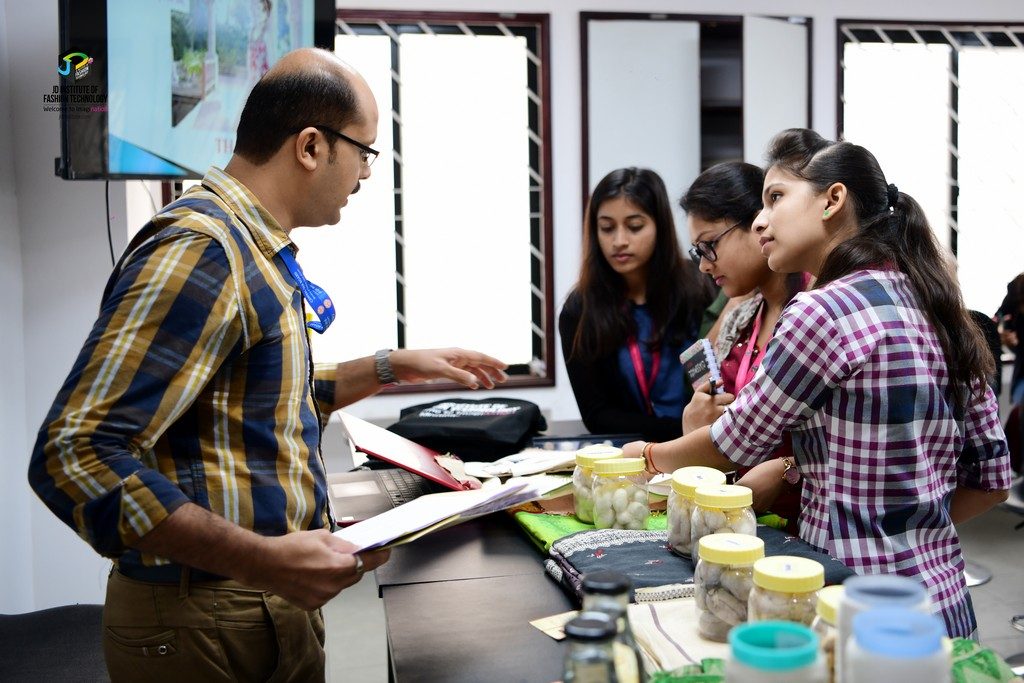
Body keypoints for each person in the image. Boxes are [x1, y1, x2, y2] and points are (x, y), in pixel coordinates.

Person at [28, 48, 507, 682]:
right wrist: (262, 561)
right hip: (202, 617)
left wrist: (392, 366)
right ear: (311, 146)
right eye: (365, 152)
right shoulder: (206, 250)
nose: (366, 174)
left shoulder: (253, 246)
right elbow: (75, 455)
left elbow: (261, 397)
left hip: (245, 608)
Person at [626, 128, 1011, 638]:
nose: (761, 220)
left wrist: (648, 456)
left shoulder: (823, 310)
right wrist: (904, 538)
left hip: (847, 605)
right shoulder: (940, 306)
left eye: (776, 198)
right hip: (940, 605)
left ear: (833, 200)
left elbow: (736, 439)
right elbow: (991, 483)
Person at [678, 161, 807, 533]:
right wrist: (698, 422)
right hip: (750, 522)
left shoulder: (817, 310)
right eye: (697, 252)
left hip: (822, 531)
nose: (703, 265)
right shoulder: (743, 318)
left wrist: (790, 470)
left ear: (760, 221)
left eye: (710, 246)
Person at [559, 167, 714, 441]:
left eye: (634, 226)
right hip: (629, 456)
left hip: (706, 445)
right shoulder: (579, 310)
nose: (619, 241)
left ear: (659, 226)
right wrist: (678, 433)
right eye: (606, 228)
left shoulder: (701, 285)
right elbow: (597, 415)